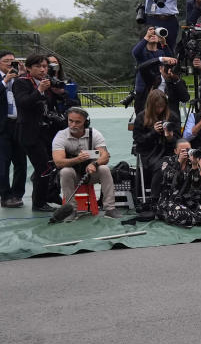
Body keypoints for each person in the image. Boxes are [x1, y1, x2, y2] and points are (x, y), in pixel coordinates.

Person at [13, 54, 63, 211]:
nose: (43, 70)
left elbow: (50, 104)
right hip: (29, 133)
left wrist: (57, 91)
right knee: (43, 168)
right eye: (38, 66)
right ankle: (38, 203)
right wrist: (39, 90)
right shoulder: (21, 83)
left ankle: (45, 197)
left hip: (45, 132)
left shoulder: (46, 83)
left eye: (45, 66)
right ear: (28, 68)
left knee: (48, 166)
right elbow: (23, 103)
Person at [51, 107, 121, 219]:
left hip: (91, 174)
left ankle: (110, 209)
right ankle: (71, 210)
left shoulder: (95, 134)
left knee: (104, 169)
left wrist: (95, 164)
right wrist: (77, 159)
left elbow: (105, 156)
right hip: (72, 175)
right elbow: (58, 162)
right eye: (70, 121)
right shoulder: (61, 136)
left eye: (77, 122)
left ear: (85, 122)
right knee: (65, 171)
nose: (73, 124)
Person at [132, 89, 181, 205]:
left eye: (162, 107)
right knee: (162, 166)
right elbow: (138, 140)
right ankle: (155, 200)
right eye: (157, 107)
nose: (159, 110)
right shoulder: (141, 117)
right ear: (151, 105)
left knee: (169, 163)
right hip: (149, 153)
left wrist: (170, 137)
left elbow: (179, 141)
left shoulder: (172, 116)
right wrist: (153, 132)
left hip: (169, 151)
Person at [152, 139, 201, 227]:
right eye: (183, 151)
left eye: (188, 150)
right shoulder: (167, 161)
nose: (186, 152)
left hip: (186, 200)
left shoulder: (192, 163)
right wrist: (179, 162)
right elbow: (169, 178)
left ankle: (191, 218)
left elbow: (197, 184)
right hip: (169, 200)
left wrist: (194, 165)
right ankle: (191, 218)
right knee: (181, 214)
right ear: (175, 151)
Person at [0, 51, 26, 207]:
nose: (10, 64)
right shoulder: (4, 79)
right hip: (3, 126)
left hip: (19, 124)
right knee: (3, 163)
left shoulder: (19, 79)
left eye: (13, 61)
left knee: (21, 162)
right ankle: (5, 195)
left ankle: (17, 194)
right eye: (6, 61)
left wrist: (21, 76)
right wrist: (5, 81)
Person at [132, 26, 177, 113]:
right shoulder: (142, 52)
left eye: (155, 33)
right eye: (150, 34)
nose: (153, 35)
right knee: (143, 116)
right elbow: (135, 52)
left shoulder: (161, 52)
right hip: (143, 90)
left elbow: (170, 59)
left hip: (159, 88)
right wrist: (146, 37)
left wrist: (164, 44)